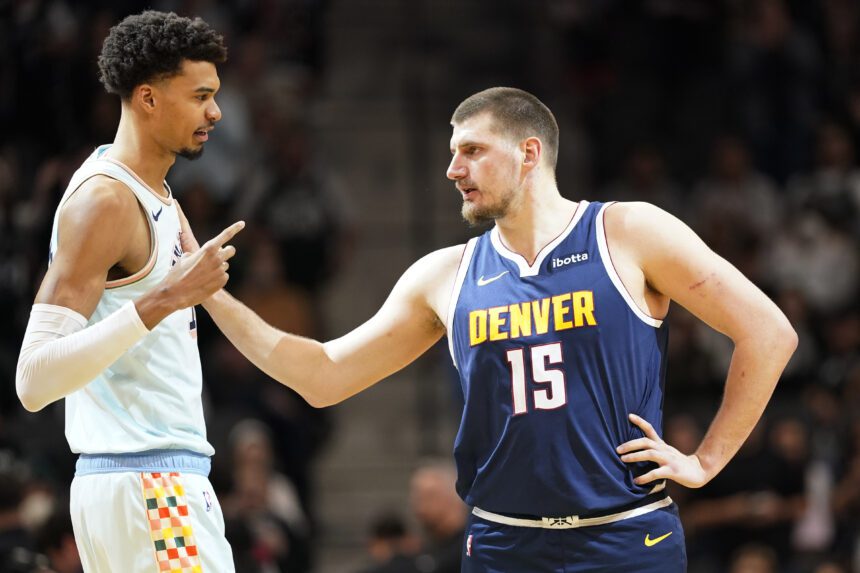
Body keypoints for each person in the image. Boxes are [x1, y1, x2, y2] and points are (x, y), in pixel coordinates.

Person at [187, 87, 798, 571]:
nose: (453, 169)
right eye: (453, 153)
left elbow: (769, 333)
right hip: (504, 547)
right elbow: (323, 376)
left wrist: (705, 462)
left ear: (528, 153)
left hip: (626, 539)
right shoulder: (444, 274)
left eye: (472, 150)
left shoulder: (628, 233)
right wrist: (212, 296)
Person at [15, 11, 243, 572]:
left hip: (142, 481)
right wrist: (165, 298)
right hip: (149, 482)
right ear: (148, 98)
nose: (215, 112)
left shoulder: (154, 191)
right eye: (200, 96)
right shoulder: (107, 202)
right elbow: (34, 379)